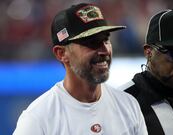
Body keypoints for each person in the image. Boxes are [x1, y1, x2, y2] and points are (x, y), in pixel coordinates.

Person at [13, 3, 148, 135]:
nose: (105, 50)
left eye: (106, 40)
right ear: (61, 53)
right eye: (92, 43)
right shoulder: (37, 119)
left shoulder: (128, 105)